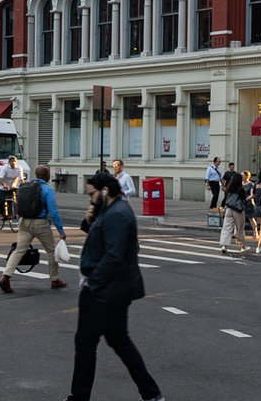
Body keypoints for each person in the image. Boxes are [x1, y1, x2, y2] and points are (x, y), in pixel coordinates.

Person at [66, 169, 160, 401]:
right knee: (119, 340)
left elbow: (114, 255)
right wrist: (89, 219)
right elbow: (101, 235)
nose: (90, 198)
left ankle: (79, 397)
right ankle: (151, 394)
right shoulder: (110, 209)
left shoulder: (117, 213)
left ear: (105, 191)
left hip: (105, 291)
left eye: (91, 194)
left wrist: (92, 283)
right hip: (113, 289)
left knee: (86, 343)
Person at [0, 163, 65, 292]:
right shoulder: (48, 189)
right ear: (47, 176)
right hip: (40, 223)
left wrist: (19, 219)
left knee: (19, 250)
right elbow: (54, 211)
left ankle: (5, 277)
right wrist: (61, 231)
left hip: (24, 221)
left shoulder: (25, 187)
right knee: (51, 251)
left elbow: (21, 204)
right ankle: (55, 279)